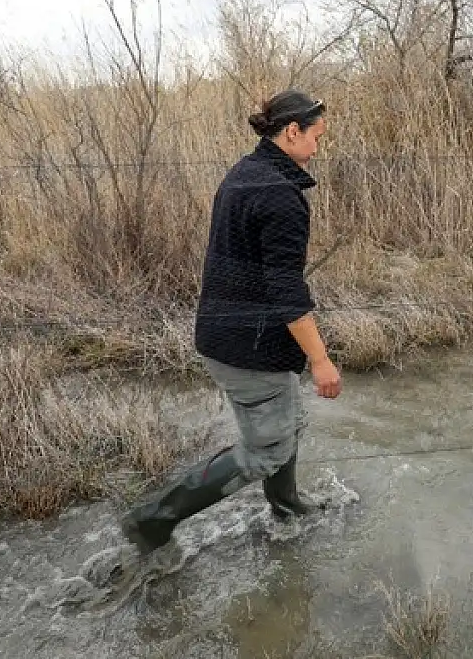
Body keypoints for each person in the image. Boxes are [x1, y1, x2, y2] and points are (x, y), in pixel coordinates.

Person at [120, 88, 343, 558]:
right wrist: (320, 360)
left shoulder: (246, 171)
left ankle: (286, 508)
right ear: (291, 132)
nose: (319, 146)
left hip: (229, 330)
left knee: (289, 424)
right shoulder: (280, 195)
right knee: (265, 451)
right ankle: (154, 520)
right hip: (248, 345)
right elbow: (287, 292)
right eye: (316, 137)